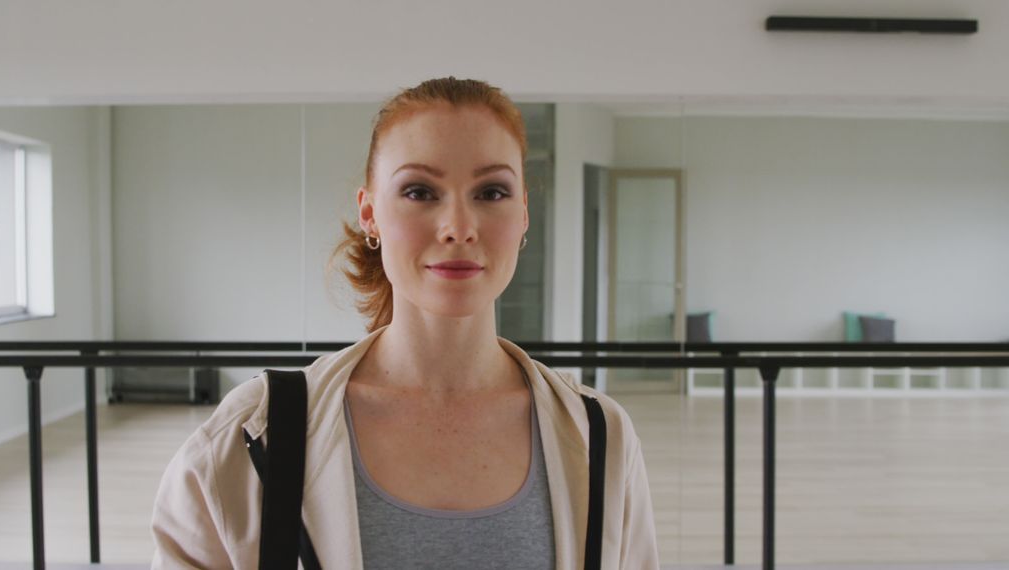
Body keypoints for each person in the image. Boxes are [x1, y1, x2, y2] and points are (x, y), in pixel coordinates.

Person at [151, 77, 660, 569]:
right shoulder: (249, 437)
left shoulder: (601, 437)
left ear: (523, 213)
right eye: (419, 191)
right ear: (369, 213)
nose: (459, 228)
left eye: (491, 193)